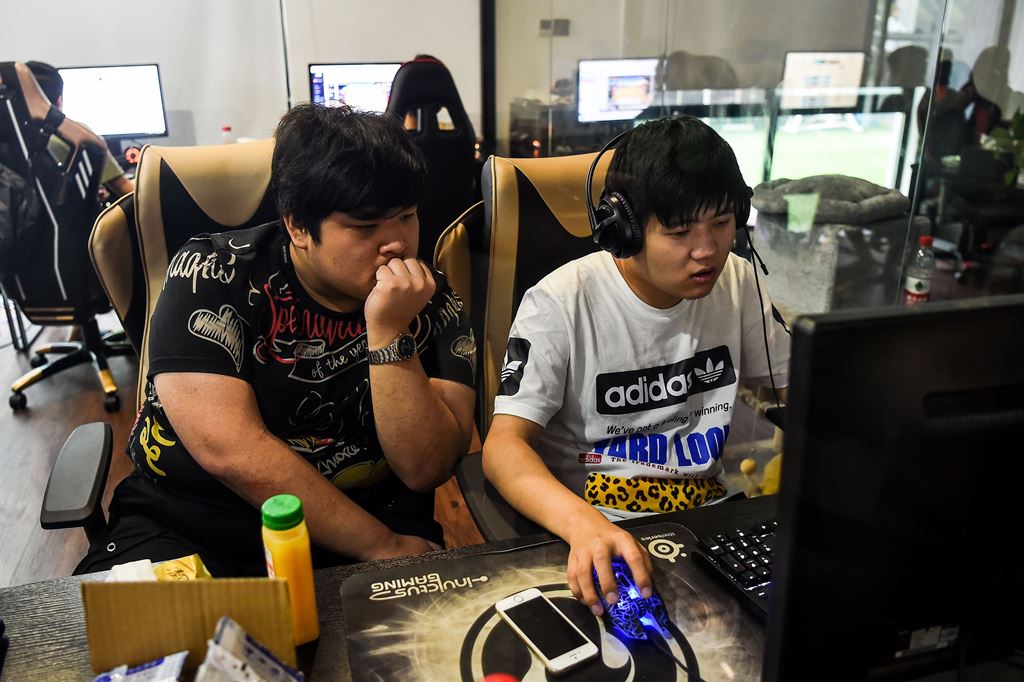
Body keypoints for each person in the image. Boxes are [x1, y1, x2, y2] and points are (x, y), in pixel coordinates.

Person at [76, 103, 477, 576]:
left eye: (406, 217)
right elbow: (229, 451)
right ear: (298, 226)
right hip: (194, 522)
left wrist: (389, 332)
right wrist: (381, 546)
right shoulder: (212, 272)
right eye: (365, 226)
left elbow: (427, 469)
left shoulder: (429, 297)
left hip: (370, 514)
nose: (396, 244)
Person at [482, 116, 790, 615]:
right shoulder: (561, 302)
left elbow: (796, 392)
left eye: (721, 222)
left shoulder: (737, 281)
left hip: (707, 522)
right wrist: (583, 525)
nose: (707, 250)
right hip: (596, 528)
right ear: (623, 230)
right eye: (679, 231)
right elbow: (502, 449)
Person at [25, 60, 134, 198]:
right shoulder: (79, 136)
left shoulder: (13, 137)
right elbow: (126, 191)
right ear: (59, 100)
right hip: (70, 219)